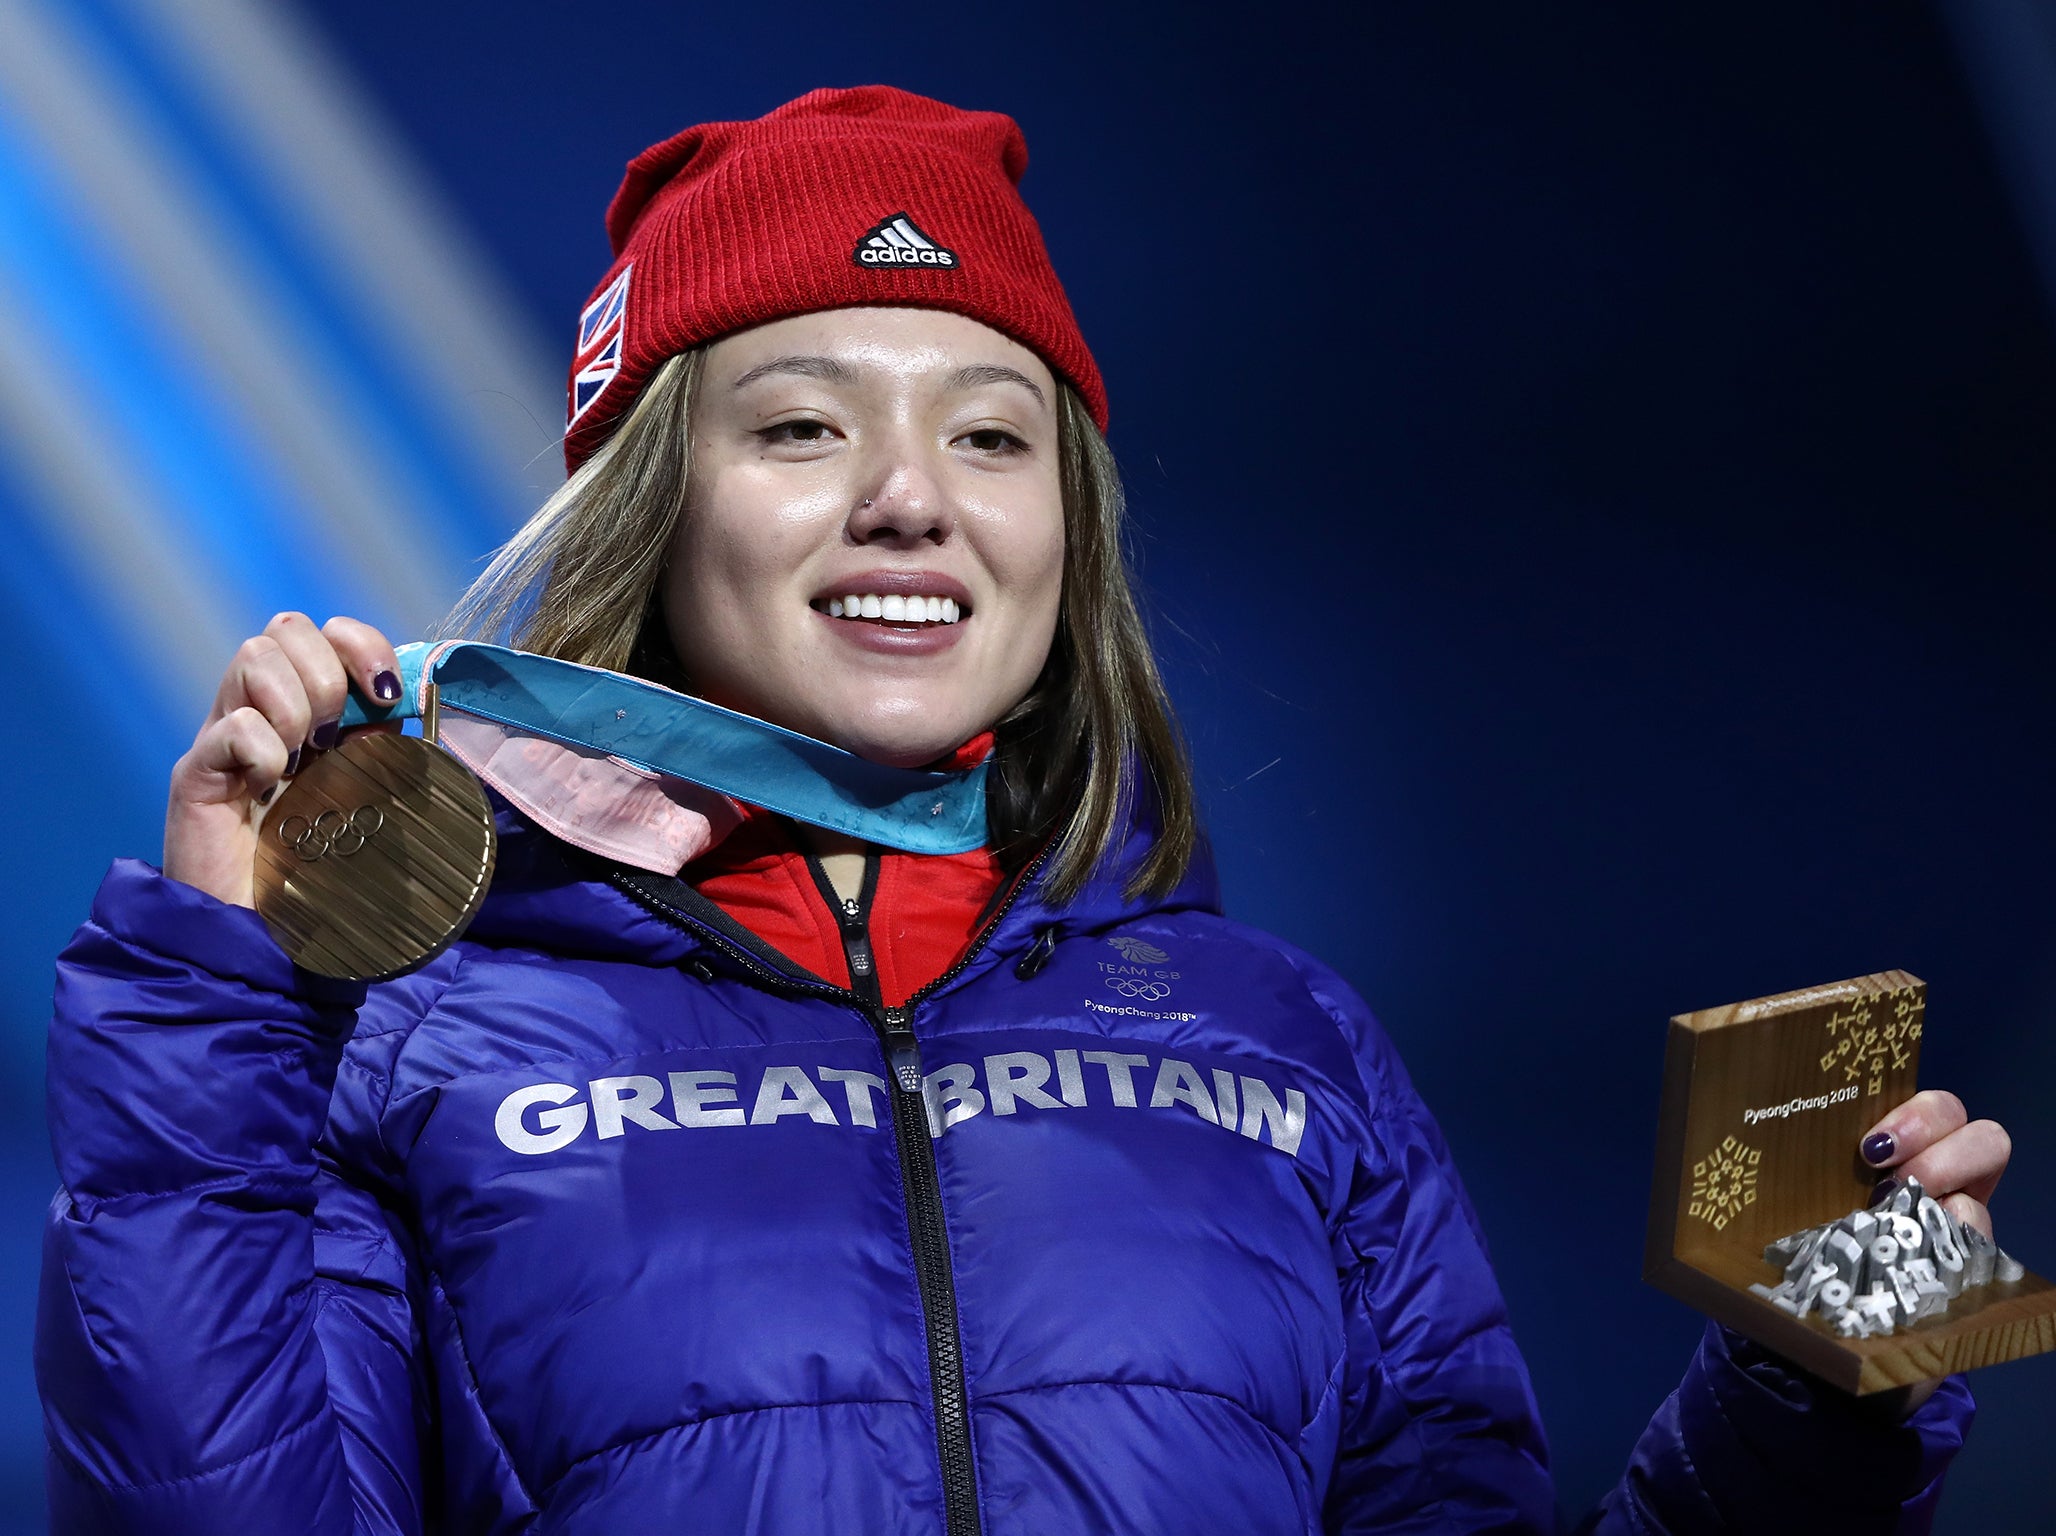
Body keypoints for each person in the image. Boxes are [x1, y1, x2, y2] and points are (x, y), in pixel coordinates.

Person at [37, 86, 2011, 1534]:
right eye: (801, 424)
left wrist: (1813, 1393)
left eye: (990, 434)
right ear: (652, 516)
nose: (911, 493)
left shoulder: (1281, 1040)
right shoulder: (417, 1042)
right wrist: (220, 992)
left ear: (1061, 530)